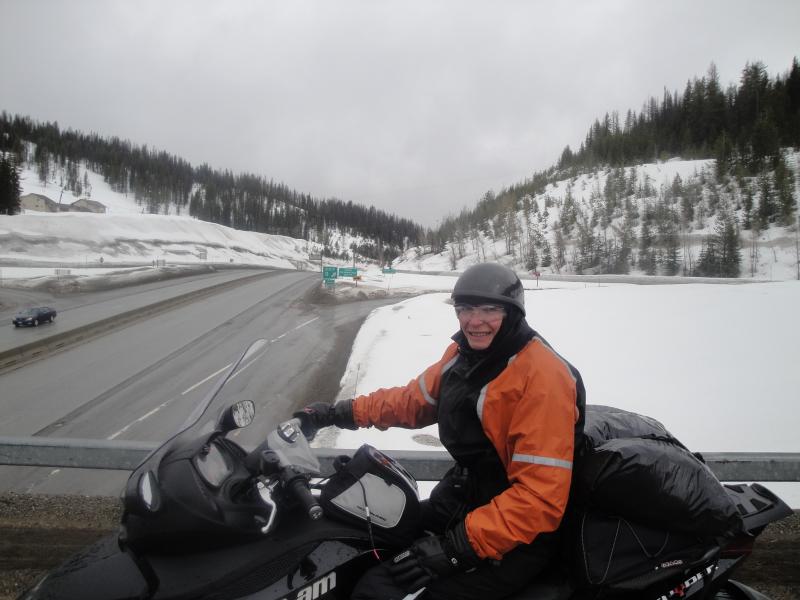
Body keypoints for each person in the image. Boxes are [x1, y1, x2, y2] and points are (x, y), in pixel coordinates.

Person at [295, 262, 585, 600]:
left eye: (489, 310)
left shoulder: (542, 378)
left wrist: (454, 549)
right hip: (464, 501)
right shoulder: (463, 354)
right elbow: (412, 401)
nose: (474, 321)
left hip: (520, 537)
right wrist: (336, 413)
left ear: (512, 312)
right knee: (360, 546)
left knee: (387, 590)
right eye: (465, 309)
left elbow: (538, 499)